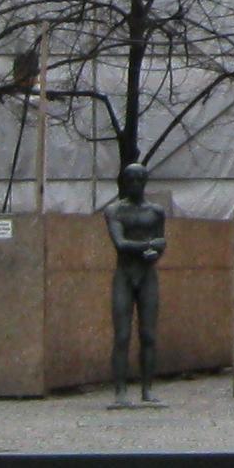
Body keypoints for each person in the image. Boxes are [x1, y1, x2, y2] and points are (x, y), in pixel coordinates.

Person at [105, 165, 168, 403]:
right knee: (122, 335)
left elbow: (161, 243)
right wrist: (150, 245)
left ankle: (147, 389)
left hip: (147, 275)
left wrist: (156, 251)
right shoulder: (114, 210)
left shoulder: (156, 211)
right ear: (124, 182)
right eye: (130, 180)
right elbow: (120, 243)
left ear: (145, 182)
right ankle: (120, 391)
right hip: (124, 274)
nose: (135, 184)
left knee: (148, 335)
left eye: (140, 180)